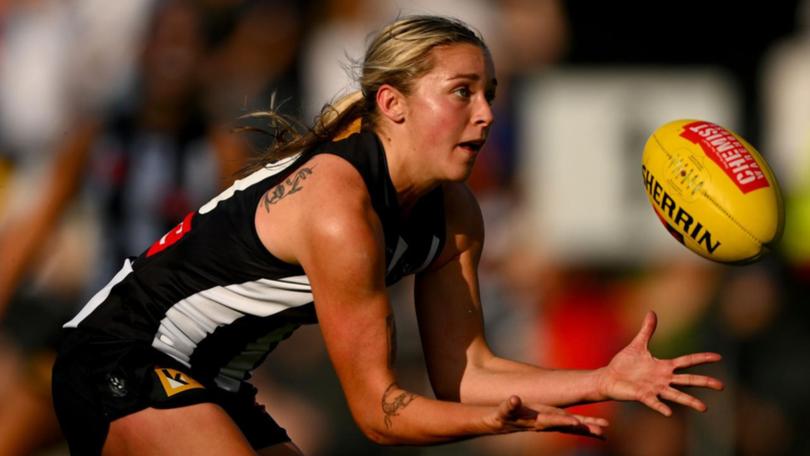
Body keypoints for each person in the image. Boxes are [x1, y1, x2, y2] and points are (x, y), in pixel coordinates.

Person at [51, 15, 724, 455]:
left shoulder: (453, 212)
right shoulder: (339, 207)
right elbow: (378, 412)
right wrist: (489, 423)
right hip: (119, 359)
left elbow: (467, 372)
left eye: (490, 91)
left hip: (210, 379)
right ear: (392, 104)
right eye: (462, 92)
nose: (487, 114)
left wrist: (604, 378)